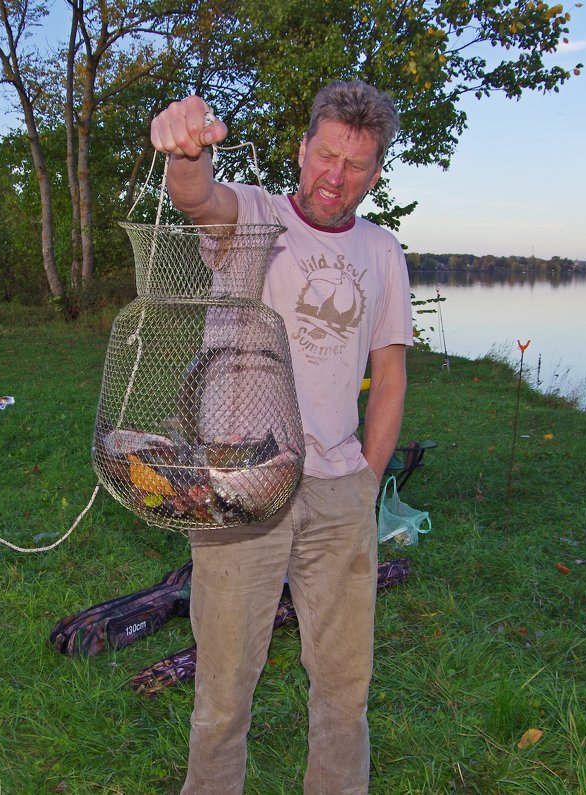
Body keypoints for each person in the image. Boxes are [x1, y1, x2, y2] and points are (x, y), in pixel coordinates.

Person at [149, 81, 412, 794]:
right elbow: (197, 197)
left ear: (376, 172)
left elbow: (389, 376)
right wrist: (185, 148)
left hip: (338, 494)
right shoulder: (257, 216)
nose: (335, 176)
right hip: (240, 491)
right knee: (223, 696)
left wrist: (367, 481)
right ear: (302, 150)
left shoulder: (383, 251)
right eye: (325, 155)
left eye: (355, 164)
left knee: (344, 693)